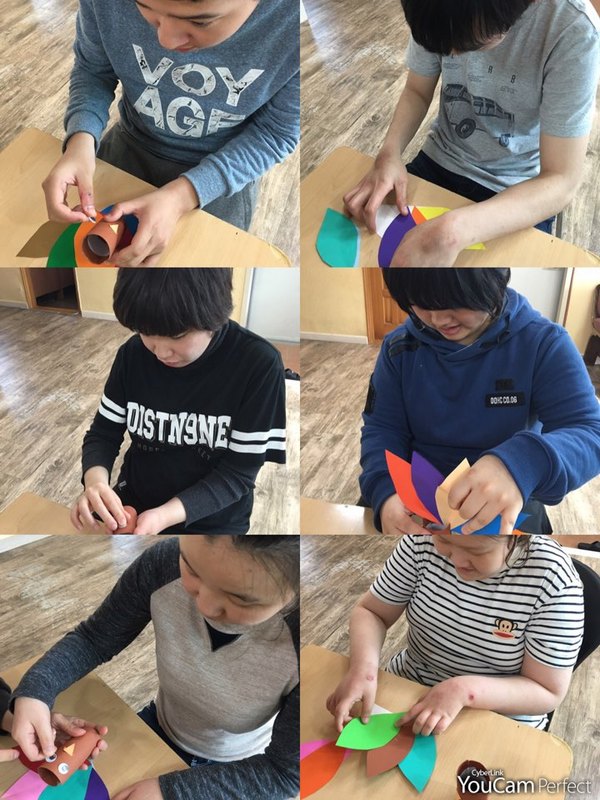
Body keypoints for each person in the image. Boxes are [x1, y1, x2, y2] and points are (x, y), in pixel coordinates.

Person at [11, 535, 299, 800]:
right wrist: (36, 691)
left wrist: (171, 791)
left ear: (293, 592)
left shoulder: (298, 637)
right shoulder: (164, 563)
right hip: (157, 727)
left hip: (241, 771)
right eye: (192, 570)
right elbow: (94, 638)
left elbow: (284, 774)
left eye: (240, 599)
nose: (205, 607)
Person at [42, 0, 300, 266]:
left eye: (200, 21)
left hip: (225, 174)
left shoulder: (292, 25)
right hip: (130, 146)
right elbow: (93, 71)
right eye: (142, 6)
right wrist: (81, 140)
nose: (165, 40)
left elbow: (275, 133)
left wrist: (182, 197)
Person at [343, 0, 600, 266]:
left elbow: (562, 179)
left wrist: (455, 231)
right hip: (440, 161)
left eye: (471, 45)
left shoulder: (574, 30)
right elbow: (417, 91)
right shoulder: (435, 9)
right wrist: (390, 153)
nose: (453, 56)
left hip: (520, 190)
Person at [360, 268, 600, 535]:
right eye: (421, 303)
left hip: (510, 493)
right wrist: (385, 491)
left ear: (495, 281)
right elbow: (382, 429)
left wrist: (522, 464)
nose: (439, 319)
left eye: (453, 300)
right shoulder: (398, 347)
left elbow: (591, 432)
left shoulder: (544, 343)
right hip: (412, 495)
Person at [71, 269, 286, 535]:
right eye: (145, 333)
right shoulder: (132, 354)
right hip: (136, 502)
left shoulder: (258, 364)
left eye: (177, 336)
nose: (161, 352)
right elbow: (104, 434)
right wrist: (95, 483)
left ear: (214, 319)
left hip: (213, 519)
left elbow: (238, 473)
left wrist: (163, 516)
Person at [327, 533, 584, 734]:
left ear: (515, 536)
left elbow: (547, 690)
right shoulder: (421, 540)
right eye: (445, 541)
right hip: (411, 686)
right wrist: (363, 670)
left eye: (477, 551)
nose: (456, 561)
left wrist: (464, 691)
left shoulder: (553, 578)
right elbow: (372, 612)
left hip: (500, 717)